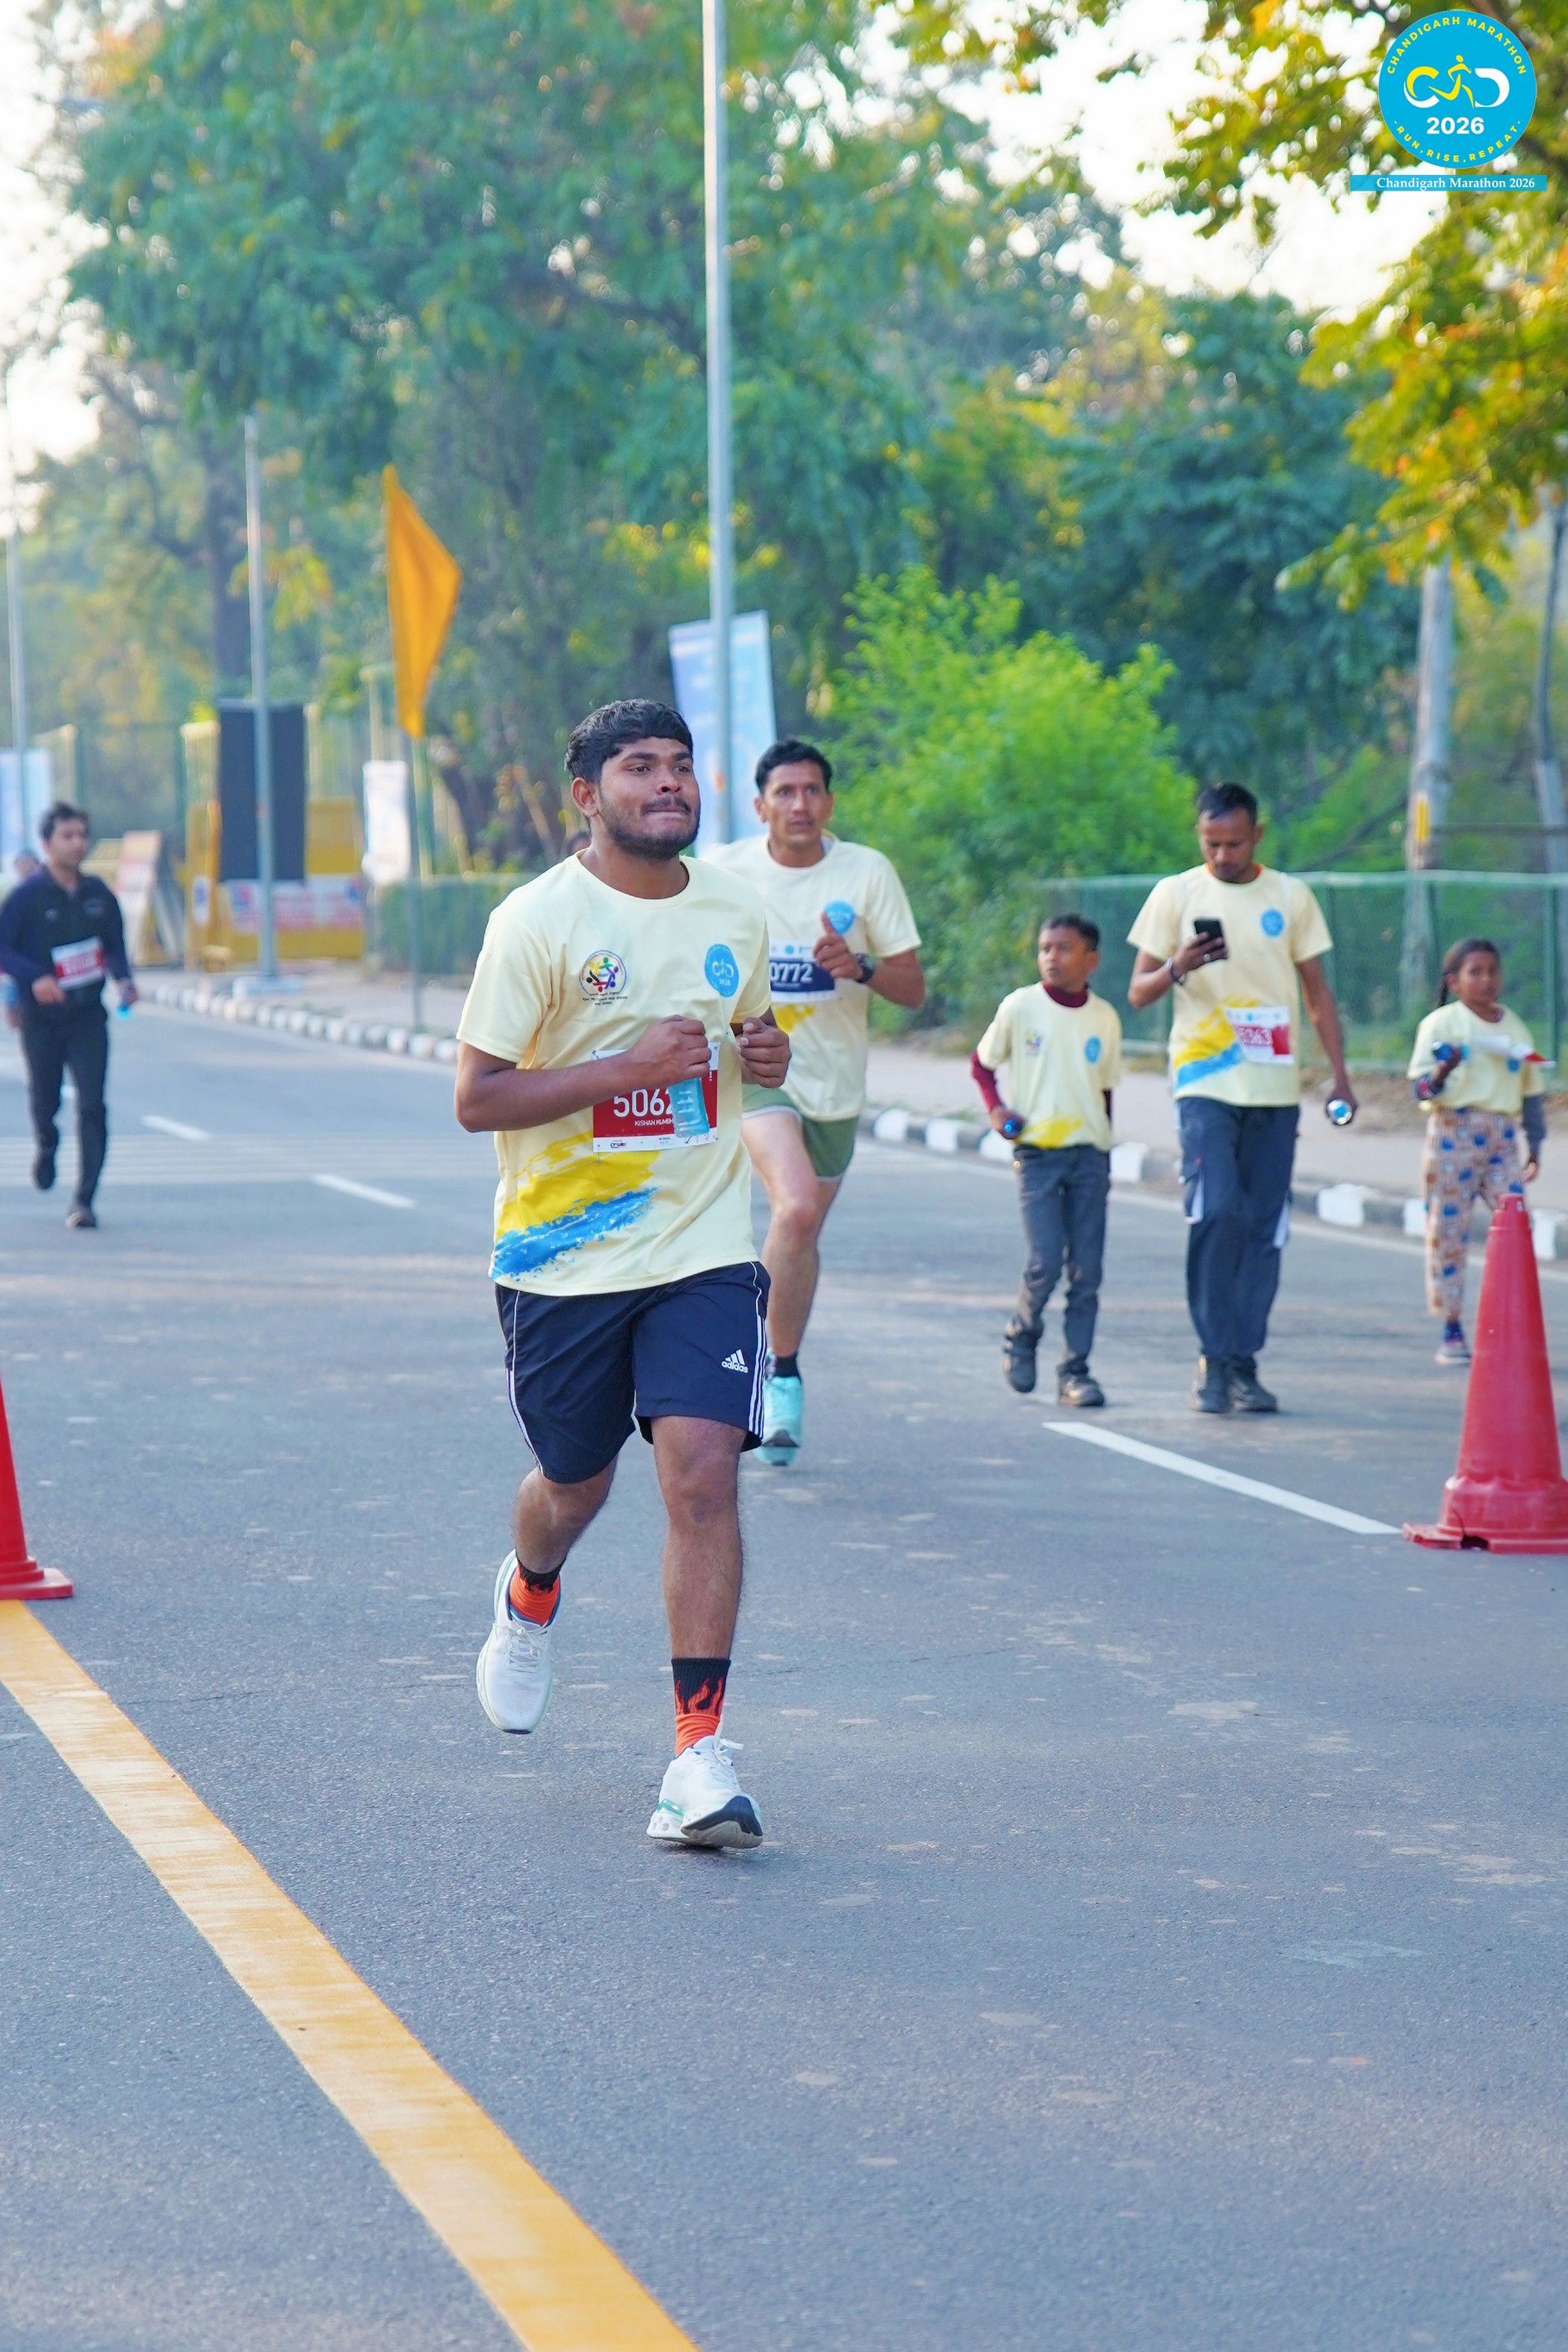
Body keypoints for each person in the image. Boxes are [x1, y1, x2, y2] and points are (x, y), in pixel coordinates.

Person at [454, 699, 790, 1849]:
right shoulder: (536, 921)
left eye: (679, 765)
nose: (667, 783)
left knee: (700, 1474)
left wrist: (766, 1052)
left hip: (701, 1246)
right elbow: (477, 1097)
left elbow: (748, 1044)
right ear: (586, 795)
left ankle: (697, 1754)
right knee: (574, 1486)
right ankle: (528, 1589)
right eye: (639, 767)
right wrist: (623, 1070)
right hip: (561, 1260)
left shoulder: (733, 911)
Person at [708, 739, 924, 1464]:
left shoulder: (866, 872)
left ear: (828, 802)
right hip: (758, 1064)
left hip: (834, 1083)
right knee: (795, 1207)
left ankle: (782, 1365)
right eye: (784, 792)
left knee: (797, 1233)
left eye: (811, 791)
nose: (798, 804)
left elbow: (912, 988)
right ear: (759, 804)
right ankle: (770, 1377)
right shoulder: (725, 872)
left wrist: (859, 966)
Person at [1127, 782, 1355, 1414]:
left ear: (1257, 835)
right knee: (1217, 1210)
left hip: (1273, 1086)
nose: (1222, 857)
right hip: (1204, 1082)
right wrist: (1178, 965)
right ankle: (1212, 1355)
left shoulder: (1290, 897)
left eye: (1233, 844)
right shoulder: (1175, 895)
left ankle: (1242, 1363)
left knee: (1261, 1226)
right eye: (1210, 844)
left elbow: (1317, 993)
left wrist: (1339, 1076)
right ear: (1198, 838)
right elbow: (1138, 991)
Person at [972, 913, 1123, 1406]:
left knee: (1087, 1271)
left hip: (1089, 1157)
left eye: (1064, 948)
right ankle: (1022, 1334)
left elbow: (1105, 1089)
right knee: (1045, 1261)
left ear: (1091, 960)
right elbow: (981, 1064)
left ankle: (1075, 1372)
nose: (1051, 958)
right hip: (1037, 1154)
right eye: (1045, 948)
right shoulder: (1021, 1007)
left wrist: (1104, 1146)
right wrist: (996, 1110)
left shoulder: (1104, 1018)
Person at [1408, 936, 1546, 1367]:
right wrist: (1444, 1069)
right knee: (1449, 1230)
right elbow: (1421, 1089)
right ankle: (1451, 1323)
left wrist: (1536, 1144)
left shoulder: (1514, 1027)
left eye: (1493, 971)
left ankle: (1510, 1323)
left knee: (1516, 1222)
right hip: (1455, 1132)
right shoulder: (1442, 1025)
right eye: (1476, 973)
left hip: (1501, 1136)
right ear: (1455, 981)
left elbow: (1531, 1093)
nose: (1487, 980)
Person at [0, 806, 135, 1229]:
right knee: (46, 1100)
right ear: (48, 844)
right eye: (68, 836)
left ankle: (84, 1199)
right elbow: (4, 948)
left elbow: (114, 945)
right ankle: (46, 1143)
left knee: (92, 1103)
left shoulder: (98, 894)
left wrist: (124, 980)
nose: (78, 843)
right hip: (42, 1019)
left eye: (82, 835)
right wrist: (34, 978)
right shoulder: (27, 898)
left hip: (87, 1017)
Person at [1, 851, 40, 1032]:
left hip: (38, 957)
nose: (27, 869)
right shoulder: (11, 895)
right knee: (12, 1001)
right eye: (23, 866)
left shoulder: (46, 893)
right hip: (14, 958)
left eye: (30, 865)